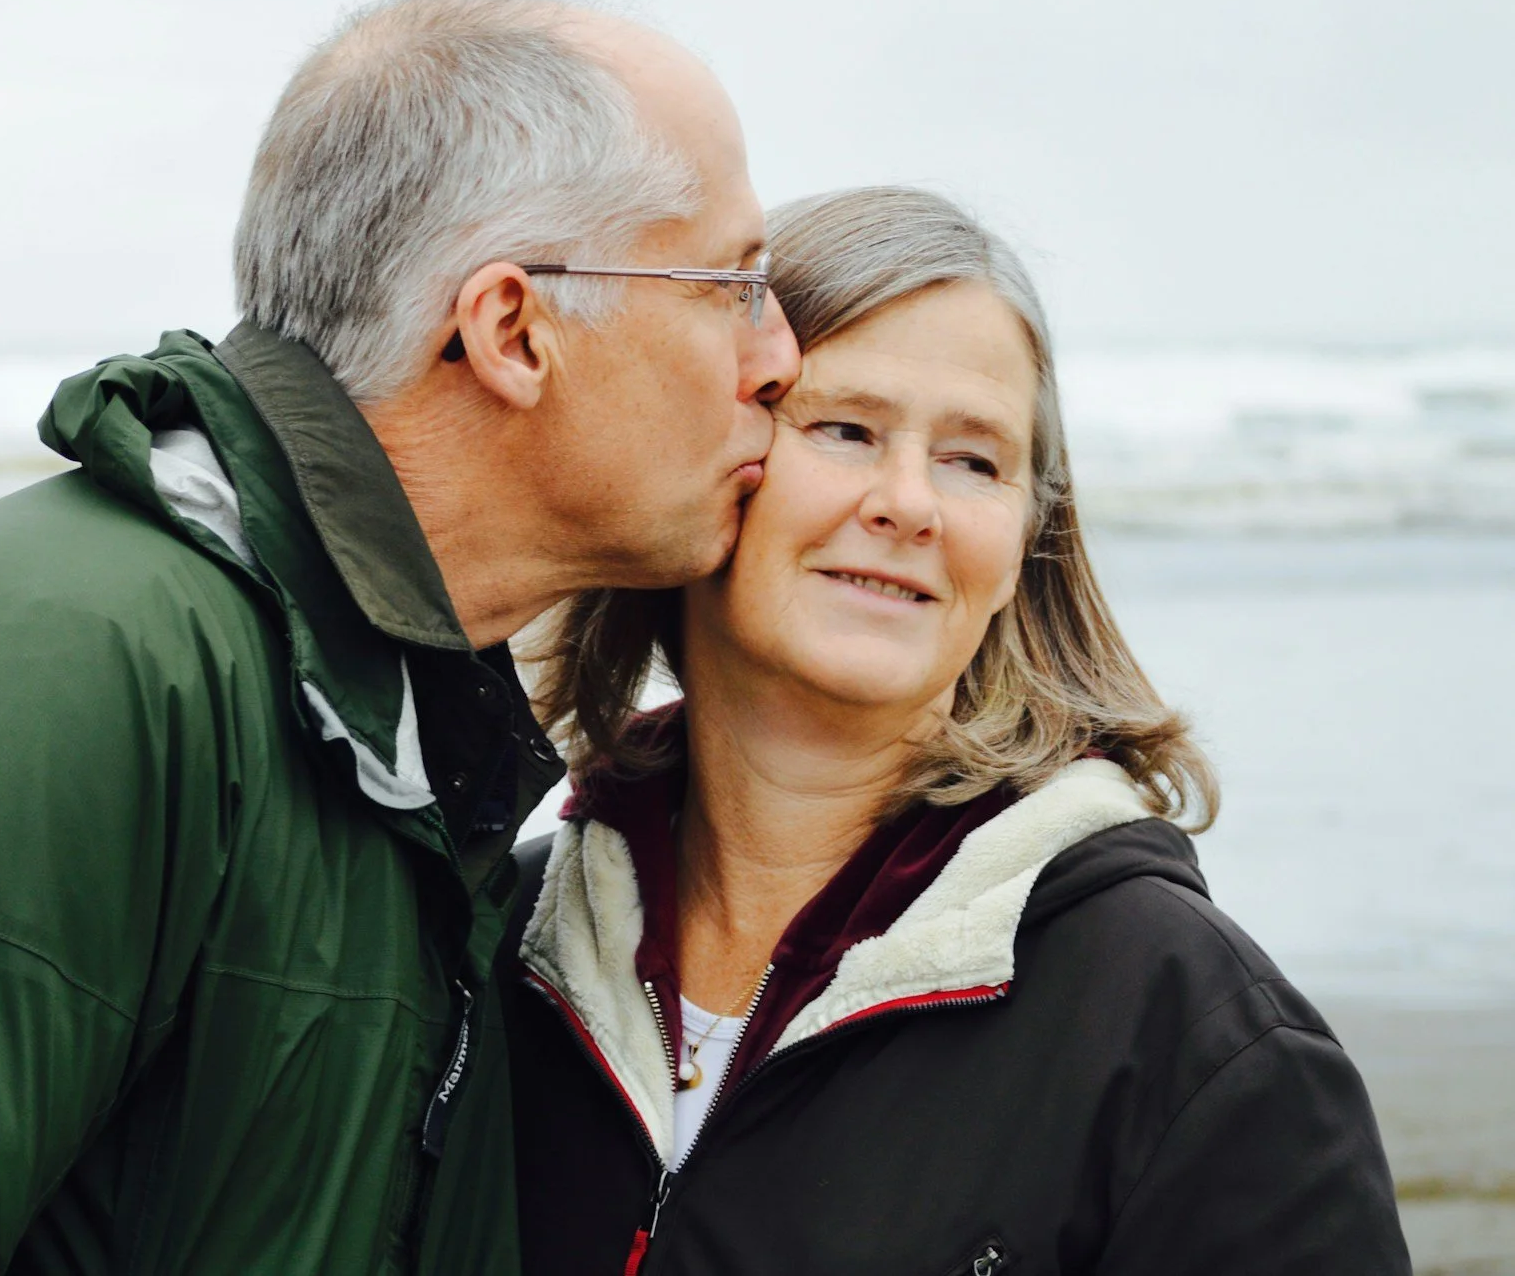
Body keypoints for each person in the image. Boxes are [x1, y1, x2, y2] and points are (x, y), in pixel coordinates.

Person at [0, 0, 800, 1276]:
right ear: (511, 328)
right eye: (728, 282)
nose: (778, 354)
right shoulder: (59, 656)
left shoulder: (400, 730)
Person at [504, 184, 1408, 1274]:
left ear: (1028, 536)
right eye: (844, 428)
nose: (908, 501)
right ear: (713, 453)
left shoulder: (1190, 1032)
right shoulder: (501, 944)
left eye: (973, 459)